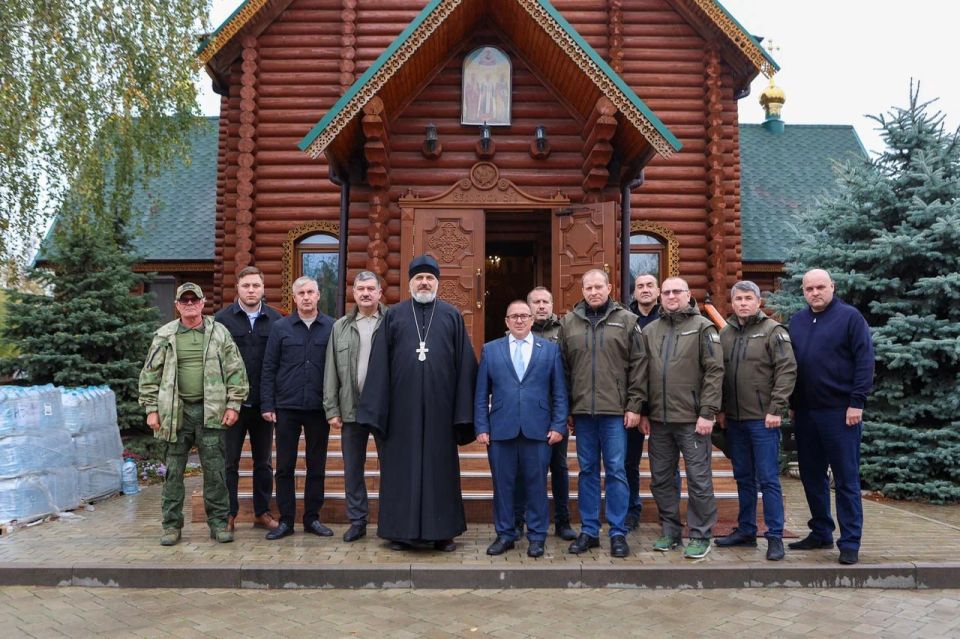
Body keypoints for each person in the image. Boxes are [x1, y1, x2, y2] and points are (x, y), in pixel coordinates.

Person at [357, 254, 477, 552]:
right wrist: (376, 412)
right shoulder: (394, 316)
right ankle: (399, 533)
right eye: (419, 278)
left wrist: (463, 414)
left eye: (430, 278)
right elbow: (379, 365)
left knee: (441, 471)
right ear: (410, 283)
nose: (424, 282)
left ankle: (443, 532)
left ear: (438, 283)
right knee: (400, 470)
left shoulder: (451, 316)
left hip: (440, 411)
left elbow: (465, 367)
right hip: (401, 414)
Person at [138, 282, 249, 546]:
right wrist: (151, 409)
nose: (190, 304)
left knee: (215, 471)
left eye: (194, 300)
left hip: (211, 412)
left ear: (202, 303)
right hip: (175, 414)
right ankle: (171, 526)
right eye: (184, 300)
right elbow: (149, 376)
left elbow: (236, 371)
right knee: (174, 472)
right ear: (177, 306)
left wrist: (234, 404)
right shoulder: (164, 336)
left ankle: (219, 523)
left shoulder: (219, 333)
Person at [557, 269, 646, 558]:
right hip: (583, 412)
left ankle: (618, 532)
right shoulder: (569, 323)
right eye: (588, 287)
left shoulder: (628, 321)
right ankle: (590, 531)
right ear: (582, 290)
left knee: (617, 471)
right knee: (587, 472)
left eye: (599, 287)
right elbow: (564, 370)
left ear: (609, 287)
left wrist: (634, 405)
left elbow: (639, 367)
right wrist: (568, 408)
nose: (594, 292)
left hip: (615, 413)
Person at [788, 269, 874, 565]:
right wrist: (792, 402)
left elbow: (865, 360)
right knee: (812, 477)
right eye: (809, 288)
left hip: (841, 413)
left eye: (820, 287)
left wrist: (857, 403)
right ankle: (821, 531)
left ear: (832, 287)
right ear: (803, 291)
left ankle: (850, 541)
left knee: (846, 479)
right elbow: (792, 366)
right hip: (806, 413)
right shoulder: (797, 321)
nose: (815, 292)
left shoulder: (850, 318)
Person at [475, 300, 569, 558]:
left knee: (536, 485)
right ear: (506, 321)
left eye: (524, 316)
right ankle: (505, 534)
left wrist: (559, 425)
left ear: (531, 320)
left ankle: (537, 537)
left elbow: (559, 392)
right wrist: (482, 426)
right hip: (501, 431)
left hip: (538, 431)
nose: (519, 320)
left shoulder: (549, 350)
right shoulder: (491, 350)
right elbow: (481, 393)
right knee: (502, 487)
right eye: (513, 316)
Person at [641, 277, 723, 559]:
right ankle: (670, 531)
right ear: (660, 297)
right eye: (667, 292)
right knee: (661, 479)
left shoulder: (703, 327)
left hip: (693, 420)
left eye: (677, 291)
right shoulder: (651, 330)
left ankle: (700, 535)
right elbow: (641, 374)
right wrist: (642, 411)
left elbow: (714, 372)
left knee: (699, 479)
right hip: (660, 420)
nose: (672, 296)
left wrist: (707, 412)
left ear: (688, 295)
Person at [715, 280, 796, 561]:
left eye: (748, 298)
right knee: (743, 478)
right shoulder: (725, 334)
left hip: (763, 419)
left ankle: (774, 536)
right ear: (733, 302)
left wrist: (776, 408)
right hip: (735, 421)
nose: (743, 303)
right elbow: (720, 376)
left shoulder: (772, 332)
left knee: (769, 479)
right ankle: (746, 530)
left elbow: (787, 371)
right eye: (738, 299)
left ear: (758, 301)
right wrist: (722, 410)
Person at [261, 276, 335, 540]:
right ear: (294, 297)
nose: (306, 297)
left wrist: (334, 405)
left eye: (310, 292)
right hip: (286, 407)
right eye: (301, 292)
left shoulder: (331, 327)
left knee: (316, 465)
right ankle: (287, 520)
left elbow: (337, 369)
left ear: (318, 295)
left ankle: (312, 518)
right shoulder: (281, 328)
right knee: (284, 466)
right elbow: (269, 367)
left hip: (318, 407)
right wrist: (267, 403)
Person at [214, 266, 283, 533]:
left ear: (263, 288)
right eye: (246, 286)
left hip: (263, 405)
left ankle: (262, 512)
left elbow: (277, 363)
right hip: (232, 405)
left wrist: (272, 401)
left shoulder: (276, 320)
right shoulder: (221, 321)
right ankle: (228, 514)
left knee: (263, 462)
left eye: (256, 285)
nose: (251, 290)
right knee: (228, 462)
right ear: (238, 289)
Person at [323, 271, 388, 542]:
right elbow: (330, 371)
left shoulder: (392, 322)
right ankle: (358, 520)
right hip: (351, 408)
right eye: (360, 288)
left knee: (391, 467)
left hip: (386, 409)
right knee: (353, 469)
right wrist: (331, 409)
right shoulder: (340, 326)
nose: (366, 293)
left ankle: (390, 521)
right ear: (353, 293)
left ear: (380, 293)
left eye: (371, 288)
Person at [512, 286, 575, 541]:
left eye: (545, 301)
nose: (541, 306)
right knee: (520, 469)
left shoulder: (565, 333)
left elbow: (571, 372)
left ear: (552, 305)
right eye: (535, 302)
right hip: (524, 415)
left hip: (554, 413)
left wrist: (567, 412)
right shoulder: (514, 334)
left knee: (558, 467)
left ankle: (562, 521)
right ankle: (518, 521)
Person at [624, 273, 662, 530]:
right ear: (634, 292)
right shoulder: (625, 320)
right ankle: (631, 510)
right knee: (629, 462)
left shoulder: (668, 317)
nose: (645, 290)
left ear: (658, 290)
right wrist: (636, 407)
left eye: (650, 285)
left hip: (663, 404)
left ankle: (668, 515)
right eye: (640, 286)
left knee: (665, 465)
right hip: (633, 404)